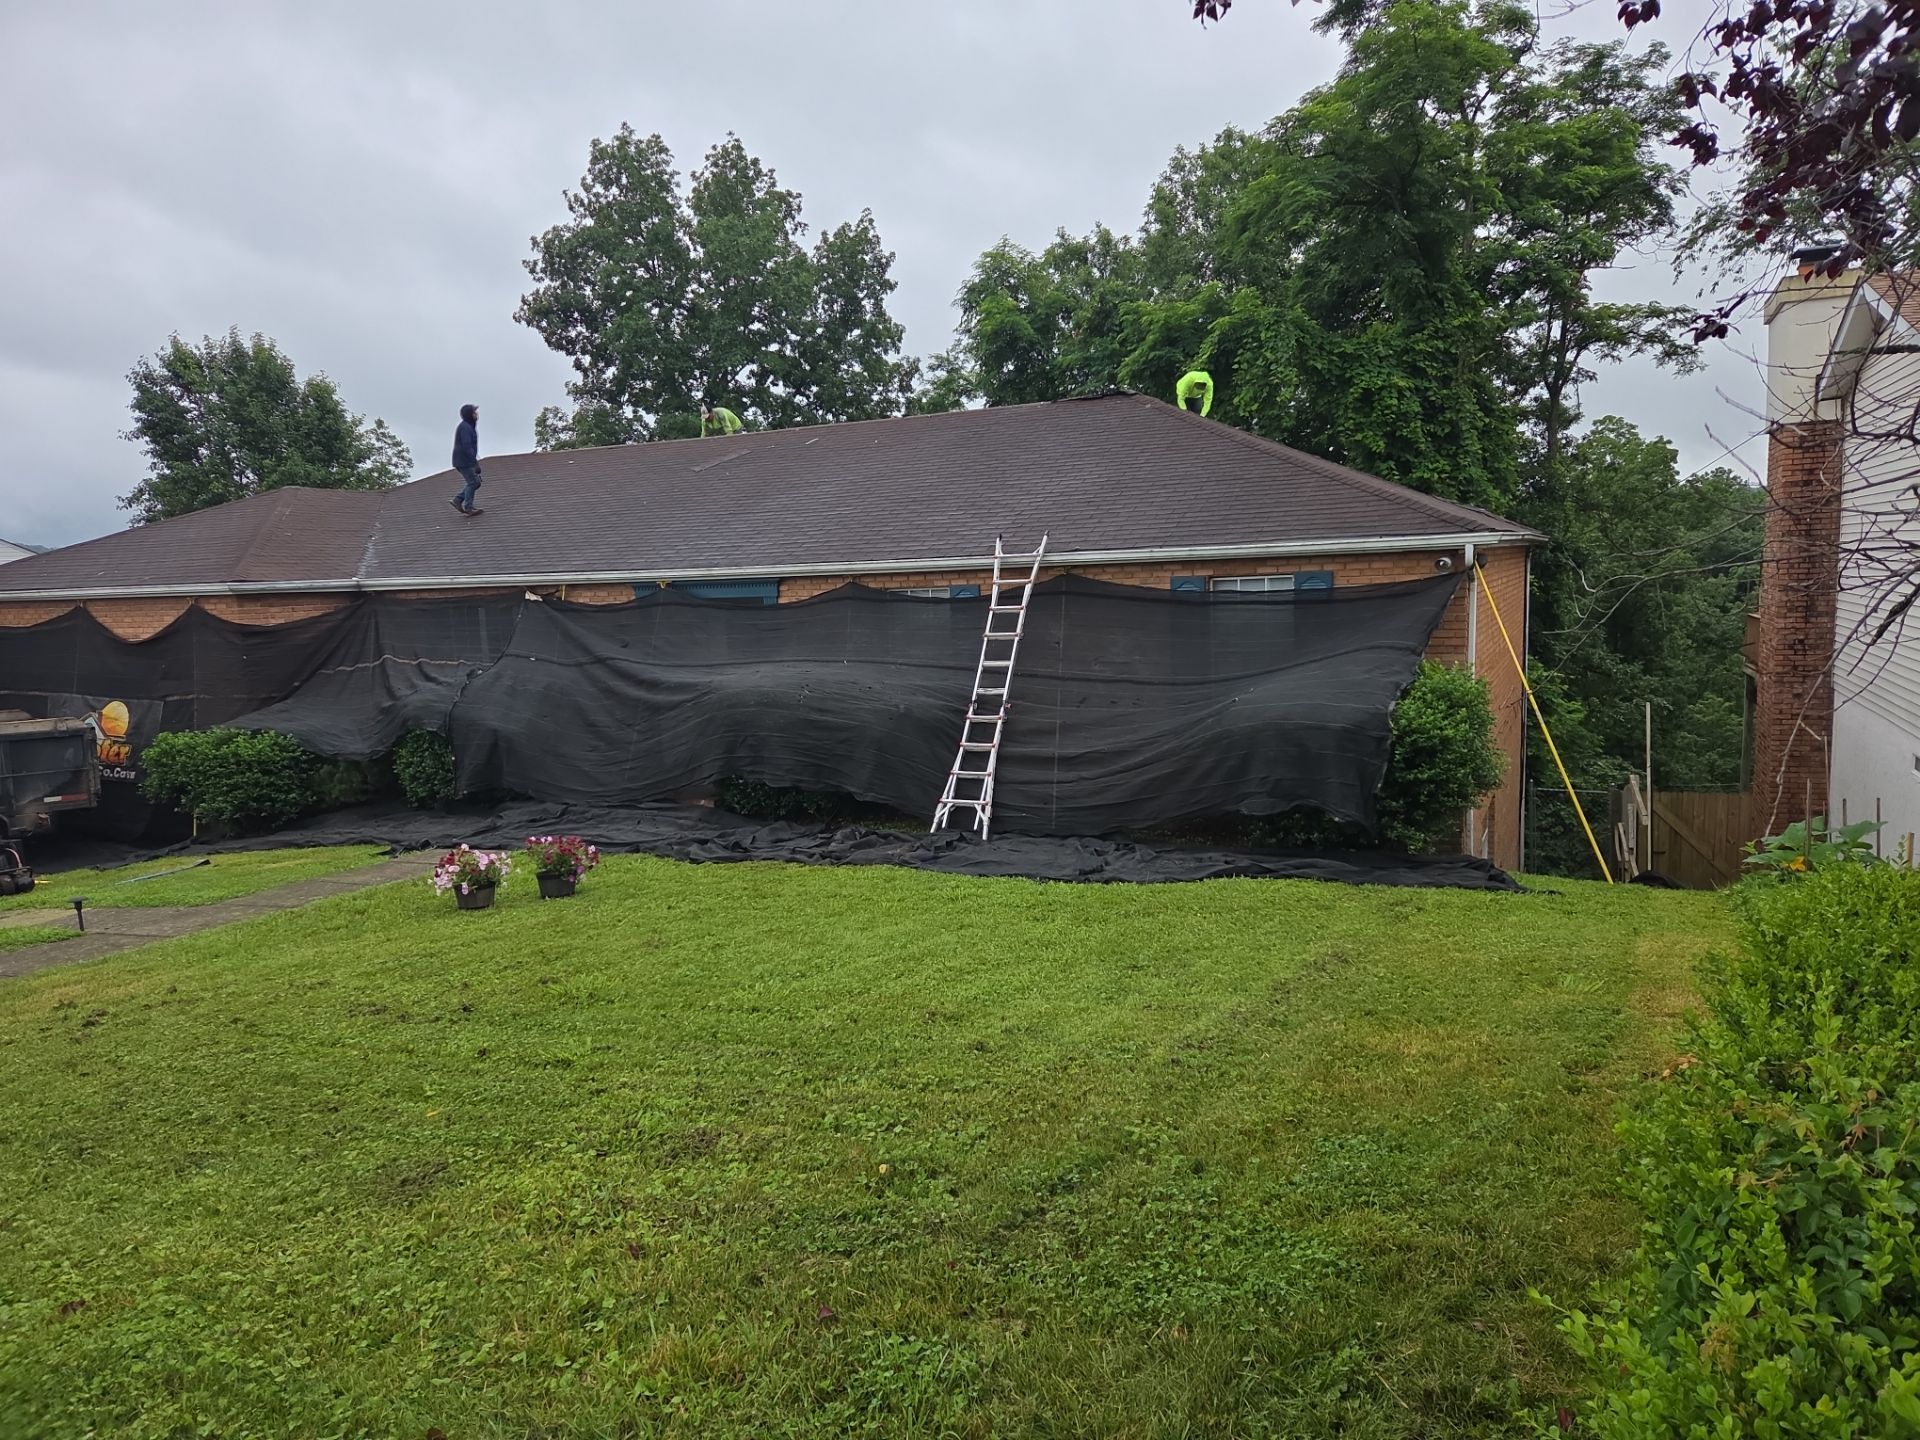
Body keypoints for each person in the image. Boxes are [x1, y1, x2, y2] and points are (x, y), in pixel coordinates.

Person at [450, 404, 484, 515]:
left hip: (464, 459)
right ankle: (468, 507)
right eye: (474, 412)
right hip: (463, 460)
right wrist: (474, 463)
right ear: (470, 415)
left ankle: (458, 500)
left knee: (476, 482)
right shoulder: (465, 427)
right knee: (473, 482)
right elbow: (467, 446)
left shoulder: (469, 426)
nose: (477, 414)